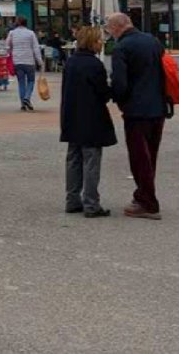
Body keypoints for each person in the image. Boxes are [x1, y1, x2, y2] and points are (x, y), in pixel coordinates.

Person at [105, 12, 168, 220]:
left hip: (136, 109)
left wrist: (118, 99)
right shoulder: (153, 41)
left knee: (139, 157)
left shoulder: (121, 48)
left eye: (110, 30)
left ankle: (148, 203)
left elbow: (120, 83)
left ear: (116, 28)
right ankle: (142, 194)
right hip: (158, 106)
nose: (110, 34)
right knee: (150, 154)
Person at [60, 26, 117, 218]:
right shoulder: (94, 65)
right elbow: (103, 94)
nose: (102, 43)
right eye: (99, 40)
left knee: (73, 159)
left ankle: (72, 200)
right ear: (92, 42)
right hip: (91, 118)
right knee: (91, 161)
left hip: (71, 116)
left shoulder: (71, 62)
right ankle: (91, 203)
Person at [6, 16, 43, 111]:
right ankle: (27, 97)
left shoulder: (12, 33)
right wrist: (40, 62)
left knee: (21, 82)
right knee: (31, 81)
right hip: (29, 61)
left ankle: (23, 103)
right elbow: (36, 48)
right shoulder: (31, 33)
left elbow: (7, 47)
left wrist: (10, 53)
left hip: (17, 61)